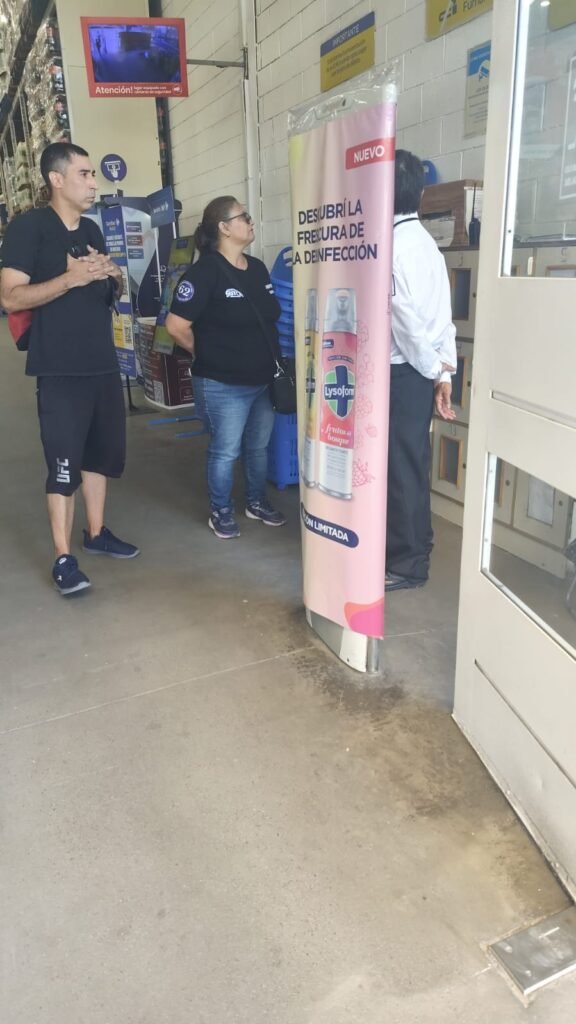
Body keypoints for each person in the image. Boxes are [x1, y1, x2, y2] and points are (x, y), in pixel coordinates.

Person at [0, 142, 139, 597]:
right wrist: (70, 278)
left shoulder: (92, 229)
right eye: (84, 174)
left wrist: (113, 276)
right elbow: (10, 297)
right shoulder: (29, 229)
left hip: (102, 364)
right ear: (56, 179)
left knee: (100, 455)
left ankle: (96, 533)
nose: (94, 183)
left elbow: (107, 290)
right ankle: (63, 557)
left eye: (94, 174)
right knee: (63, 466)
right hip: (59, 368)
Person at [165, 196, 286, 539]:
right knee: (225, 451)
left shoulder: (258, 268)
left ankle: (256, 501)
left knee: (257, 448)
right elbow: (176, 325)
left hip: (263, 380)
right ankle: (221, 510)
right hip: (223, 384)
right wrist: (206, 352)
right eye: (243, 216)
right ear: (224, 228)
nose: (250, 221)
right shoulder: (204, 273)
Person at [386, 150, 456, 592]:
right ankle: (417, 545)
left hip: (404, 371)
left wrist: (432, 369)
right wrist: (442, 374)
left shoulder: (391, 248)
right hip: (420, 370)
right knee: (412, 463)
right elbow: (443, 315)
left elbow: (405, 320)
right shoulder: (426, 243)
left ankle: (407, 564)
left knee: (400, 468)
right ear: (420, 192)